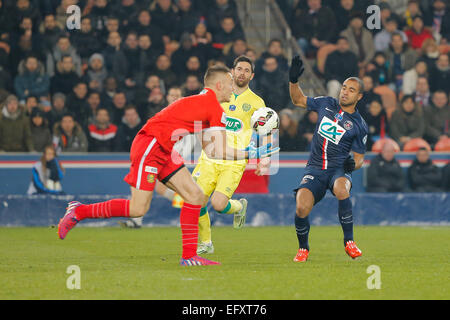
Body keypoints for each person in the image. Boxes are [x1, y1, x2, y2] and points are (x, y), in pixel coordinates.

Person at [57, 65, 278, 267]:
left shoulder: (209, 103)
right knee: (138, 208)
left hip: (165, 149)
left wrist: (249, 154)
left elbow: (212, 149)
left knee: (195, 196)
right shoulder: (212, 106)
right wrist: (252, 153)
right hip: (150, 146)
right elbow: (217, 151)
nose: (233, 88)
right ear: (219, 85)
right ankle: (79, 211)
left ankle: (189, 256)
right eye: (230, 83)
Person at [289, 55, 368, 262]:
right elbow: (298, 100)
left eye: (351, 90)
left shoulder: (359, 124)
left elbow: (359, 158)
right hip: (314, 168)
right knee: (301, 206)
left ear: (359, 97)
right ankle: (303, 248)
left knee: (342, 189)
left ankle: (349, 241)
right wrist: (293, 80)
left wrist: (353, 164)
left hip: (338, 169)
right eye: (344, 87)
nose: (345, 92)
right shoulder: (326, 103)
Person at [194, 56, 270, 255]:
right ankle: (206, 243)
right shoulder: (218, 94)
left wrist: (265, 158)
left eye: (246, 70)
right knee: (196, 200)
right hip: (209, 157)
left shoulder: (256, 102)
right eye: (239, 69)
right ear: (232, 71)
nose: (242, 73)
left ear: (252, 76)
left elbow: (267, 130)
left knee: (219, 205)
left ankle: (238, 206)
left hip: (234, 161)